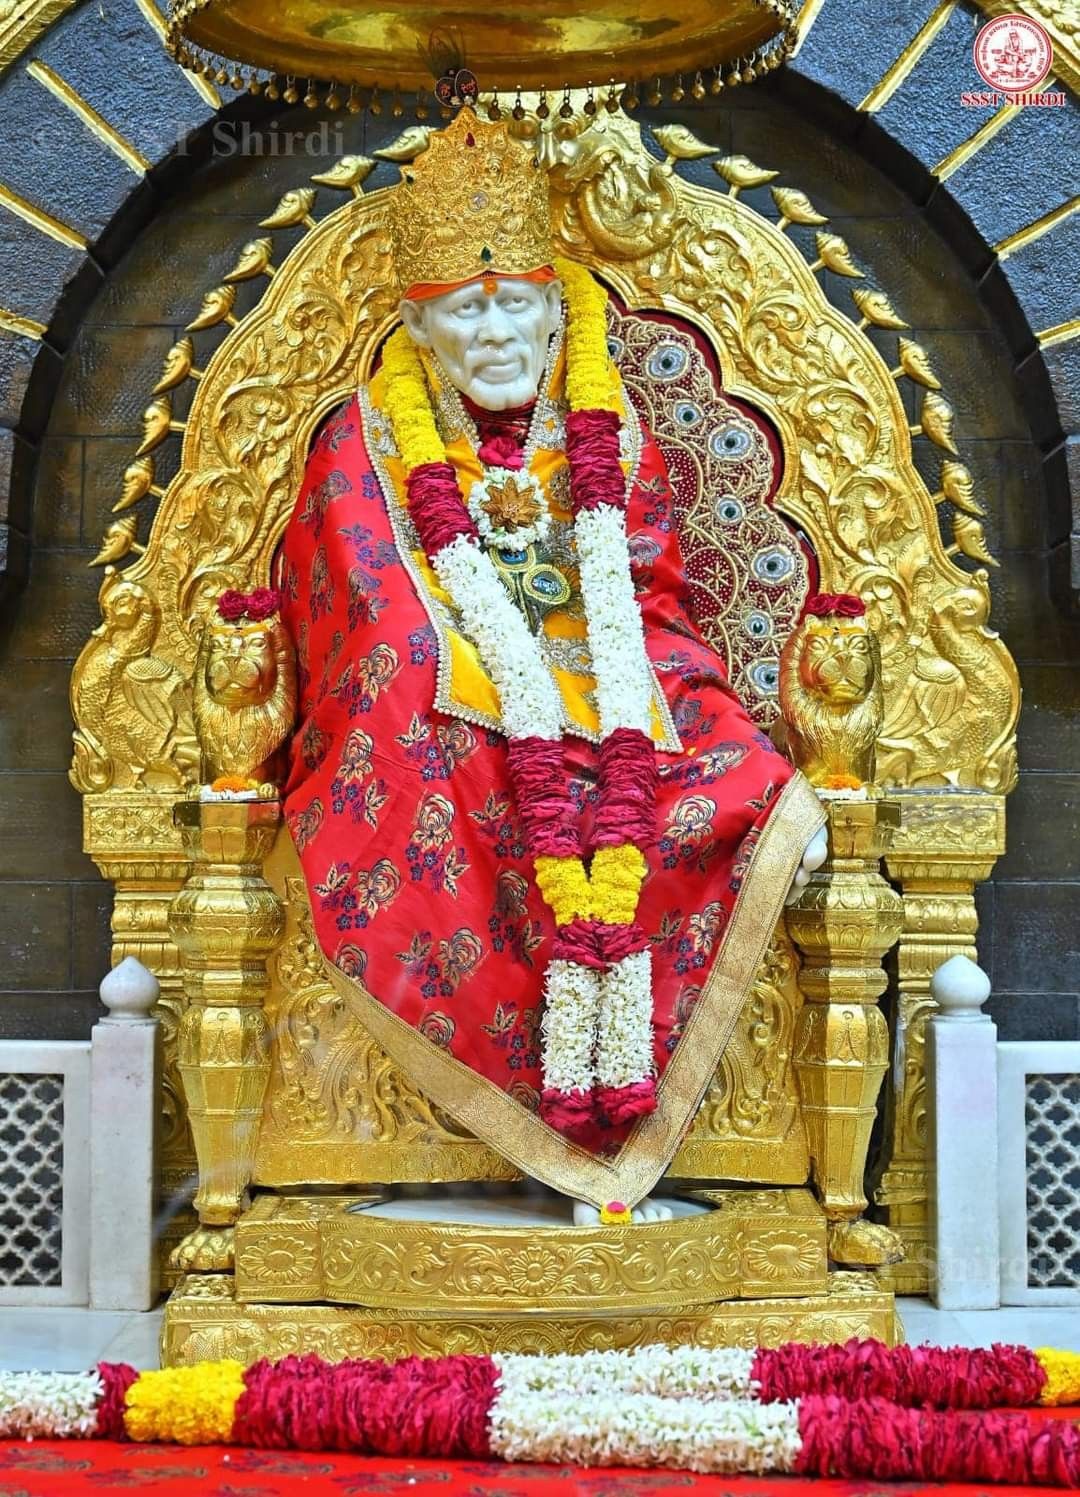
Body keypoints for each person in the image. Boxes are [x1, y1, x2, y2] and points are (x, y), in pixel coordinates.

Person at [278, 109, 825, 1217]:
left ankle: (638, 1118)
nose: (490, 337)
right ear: (420, 331)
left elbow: (650, 596)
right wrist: (473, 663)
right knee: (429, 739)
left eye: (510, 307)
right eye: (461, 316)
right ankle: (515, 1129)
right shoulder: (366, 437)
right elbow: (366, 605)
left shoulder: (607, 432)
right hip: (456, 685)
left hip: (614, 676)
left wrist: (632, 686)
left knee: (737, 780)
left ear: (550, 310)